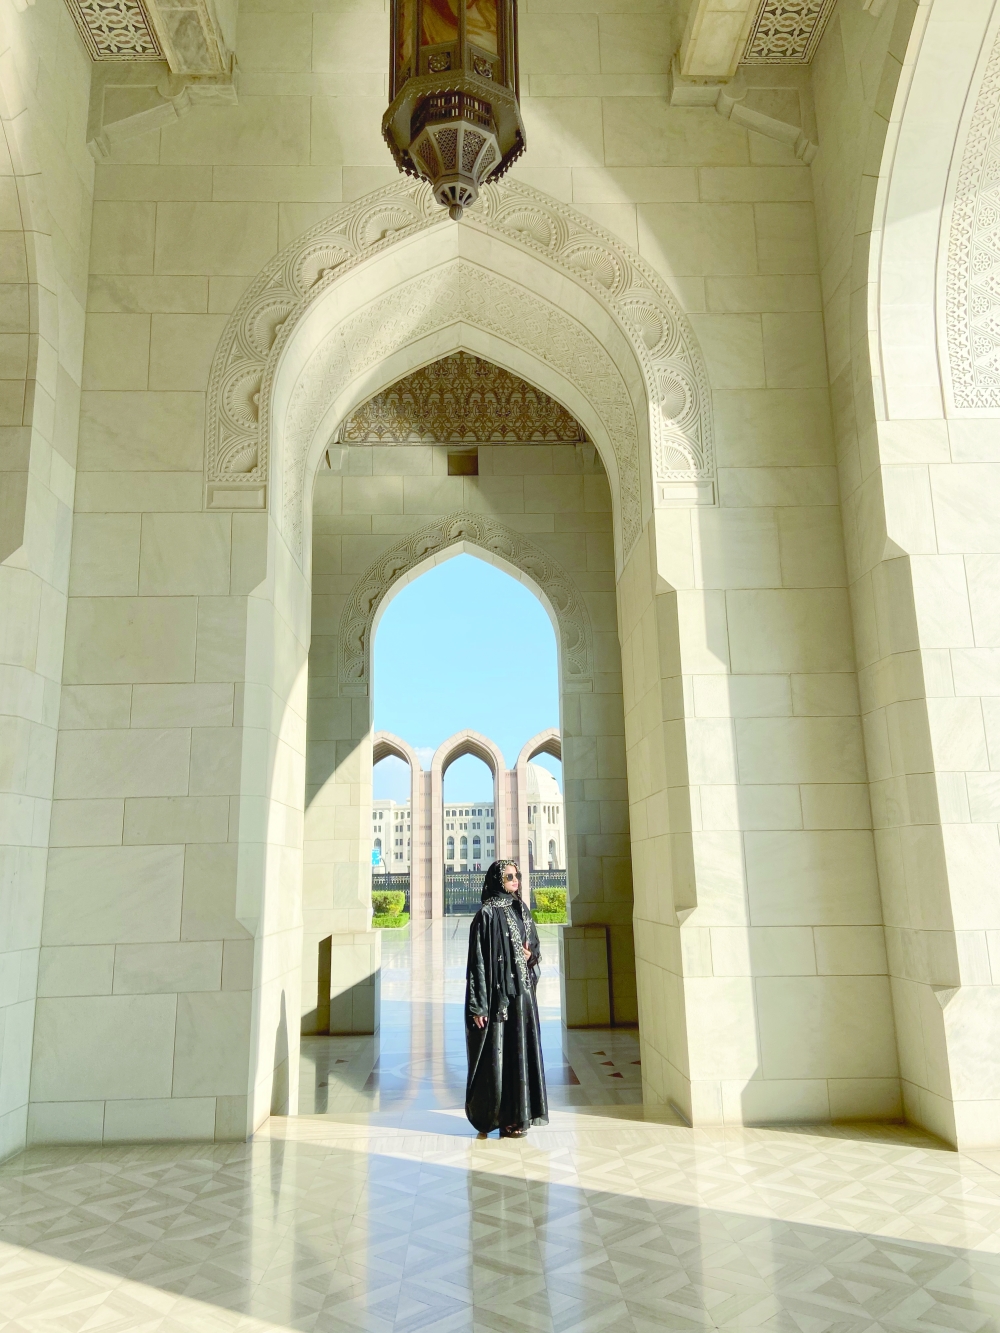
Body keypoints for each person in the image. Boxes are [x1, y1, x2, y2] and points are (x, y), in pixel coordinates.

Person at [464, 859, 548, 1138]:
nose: (515, 880)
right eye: (509, 876)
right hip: (500, 999)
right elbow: (476, 963)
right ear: (498, 880)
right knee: (501, 1057)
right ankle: (500, 1115)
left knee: (521, 1053)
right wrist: (478, 1005)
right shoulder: (485, 915)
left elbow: (533, 944)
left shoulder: (521, 909)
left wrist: (530, 955)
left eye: (517, 875)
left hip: (522, 996)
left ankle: (521, 1114)